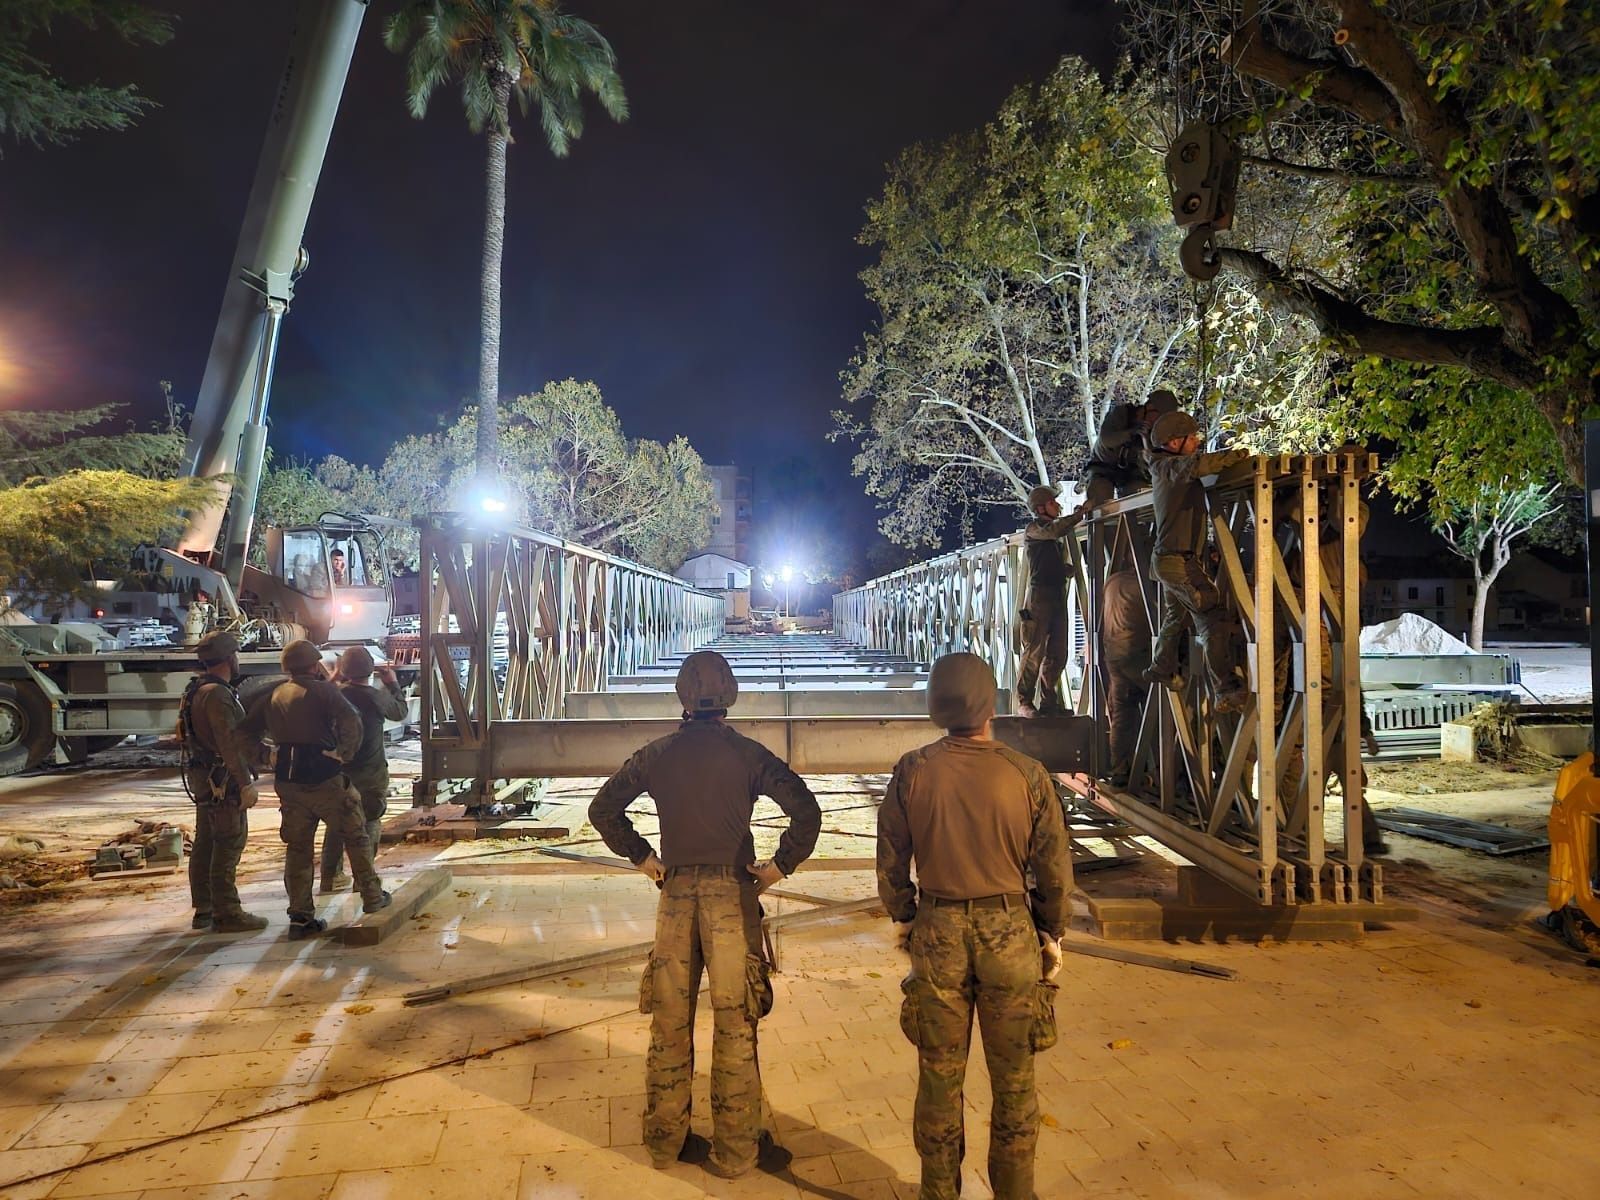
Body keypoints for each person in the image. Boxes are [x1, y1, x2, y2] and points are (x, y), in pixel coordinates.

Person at [588, 650, 821, 1180]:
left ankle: (665, 1142)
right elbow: (806, 811)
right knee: (735, 1024)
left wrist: (647, 860)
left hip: (675, 897)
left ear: (683, 696)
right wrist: (777, 869)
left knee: (669, 1023)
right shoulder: (748, 754)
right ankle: (738, 1151)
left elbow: (603, 809)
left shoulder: (657, 754)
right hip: (733, 901)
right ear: (730, 695)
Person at [877, 652, 1074, 1200]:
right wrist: (1050, 932)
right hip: (1011, 934)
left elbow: (891, 862)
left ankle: (938, 1193)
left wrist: (905, 917)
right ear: (992, 703)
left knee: (939, 1082)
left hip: (937, 932)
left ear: (934, 703)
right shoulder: (1028, 774)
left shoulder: (912, 770)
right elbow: (1055, 871)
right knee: (1015, 1083)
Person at [245, 639, 389, 938]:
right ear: (314, 665)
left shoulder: (274, 694)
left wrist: (265, 755)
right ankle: (373, 897)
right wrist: (343, 753)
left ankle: (300, 916)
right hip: (324, 778)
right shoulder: (324, 691)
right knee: (356, 834)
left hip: (288, 780)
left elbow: (244, 732)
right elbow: (352, 721)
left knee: (297, 849)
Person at [1142, 411, 1250, 710]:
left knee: (1176, 617)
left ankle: (1161, 667)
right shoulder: (1168, 466)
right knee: (1212, 617)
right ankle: (1225, 687)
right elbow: (1198, 465)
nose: (1198, 444)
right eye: (1193, 439)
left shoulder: (1164, 466)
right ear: (1175, 442)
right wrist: (1236, 455)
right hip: (1177, 561)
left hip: (1169, 560)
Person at [177, 630, 267, 934]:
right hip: (222, 780)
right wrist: (245, 783)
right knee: (228, 842)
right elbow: (230, 743)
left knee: (205, 842)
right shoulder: (218, 695)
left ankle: (204, 908)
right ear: (230, 658)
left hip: (203, 777)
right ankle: (227, 912)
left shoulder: (194, 690)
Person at [319, 646, 406, 894]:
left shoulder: (333, 695)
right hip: (370, 772)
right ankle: (364, 879)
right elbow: (400, 711)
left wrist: (335, 677)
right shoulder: (375, 697)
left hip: (338, 773)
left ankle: (330, 877)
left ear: (343, 670)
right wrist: (393, 684)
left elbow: (326, 693)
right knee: (369, 822)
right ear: (370, 670)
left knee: (336, 824)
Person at [1017, 483, 1082, 717]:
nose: (1058, 506)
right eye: (1053, 503)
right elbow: (1054, 531)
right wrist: (1080, 514)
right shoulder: (1034, 529)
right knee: (1034, 650)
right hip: (1039, 598)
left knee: (1058, 652)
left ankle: (1049, 702)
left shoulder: (1049, 535)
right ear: (1041, 508)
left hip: (1055, 594)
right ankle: (1024, 701)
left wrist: (1063, 569)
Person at [1082, 388, 1180, 508]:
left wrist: (1147, 443)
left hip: (1132, 472)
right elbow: (1107, 440)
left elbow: (1156, 462)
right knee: (1100, 505)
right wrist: (1132, 432)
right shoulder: (1121, 414)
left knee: (1139, 504)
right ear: (1149, 408)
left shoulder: (1157, 432)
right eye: (1161, 416)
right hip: (1103, 467)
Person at [1101, 565, 1151, 787]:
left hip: (1114, 655)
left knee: (1122, 716)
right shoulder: (1144, 587)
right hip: (1137, 654)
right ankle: (1169, 774)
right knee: (1163, 711)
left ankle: (1120, 770)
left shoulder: (1113, 581)